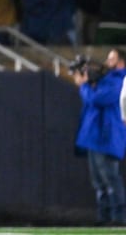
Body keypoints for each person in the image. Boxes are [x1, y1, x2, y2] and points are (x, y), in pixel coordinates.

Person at [73, 60, 126, 225]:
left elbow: (97, 99)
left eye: (111, 58)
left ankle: (119, 217)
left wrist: (84, 85)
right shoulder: (102, 83)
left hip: (107, 138)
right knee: (99, 181)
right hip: (94, 138)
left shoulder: (118, 81)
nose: (107, 63)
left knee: (110, 178)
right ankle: (104, 216)